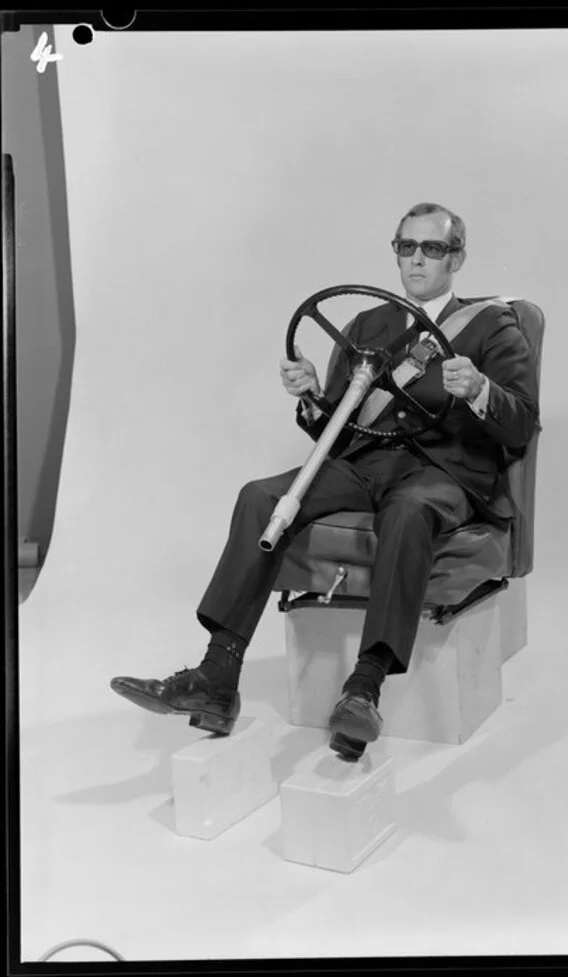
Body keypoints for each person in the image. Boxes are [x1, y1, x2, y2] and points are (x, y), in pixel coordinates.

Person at [111, 202, 540, 761]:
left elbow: (522, 422)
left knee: (408, 512)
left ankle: (363, 690)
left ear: (456, 257)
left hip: (443, 472)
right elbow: (339, 430)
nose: (416, 259)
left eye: (431, 248)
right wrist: (314, 395)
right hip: (364, 465)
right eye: (405, 247)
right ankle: (217, 676)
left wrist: (481, 389)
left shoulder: (490, 326)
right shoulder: (369, 324)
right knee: (261, 497)